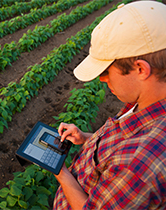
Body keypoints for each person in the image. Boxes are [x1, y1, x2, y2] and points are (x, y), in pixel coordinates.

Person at [53, 1, 166, 209]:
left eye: (106, 71)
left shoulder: (142, 162)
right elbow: (118, 149)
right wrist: (86, 138)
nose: (102, 80)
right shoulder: (146, 102)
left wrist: (59, 171)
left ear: (141, 69)